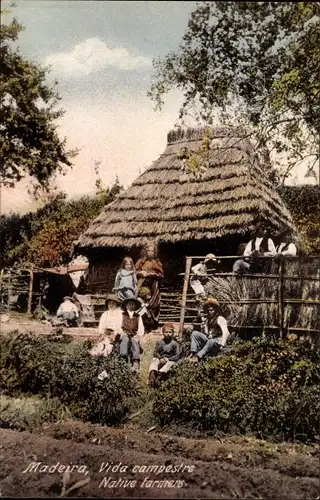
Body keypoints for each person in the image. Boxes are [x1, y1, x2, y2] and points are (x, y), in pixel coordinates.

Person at [188, 298, 230, 362]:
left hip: (217, 342)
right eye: (209, 310)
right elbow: (206, 333)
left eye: (212, 310)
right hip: (210, 340)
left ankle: (198, 356)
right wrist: (204, 326)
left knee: (212, 341)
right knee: (195, 333)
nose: (210, 312)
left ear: (216, 310)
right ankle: (192, 353)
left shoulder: (220, 318)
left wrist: (222, 344)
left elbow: (226, 332)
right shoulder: (208, 319)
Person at [135, 243, 164, 326]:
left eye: (152, 251)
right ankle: (142, 323)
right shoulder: (141, 261)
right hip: (142, 285)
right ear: (145, 251)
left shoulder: (157, 262)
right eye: (148, 251)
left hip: (153, 286)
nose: (150, 252)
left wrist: (150, 274)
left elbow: (161, 274)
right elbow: (134, 271)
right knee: (141, 302)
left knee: (153, 303)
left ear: (154, 252)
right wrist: (140, 272)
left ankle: (153, 323)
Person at [148, 323, 181, 388]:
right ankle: (152, 376)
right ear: (163, 333)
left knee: (169, 364)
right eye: (166, 332)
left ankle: (159, 376)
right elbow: (155, 353)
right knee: (154, 360)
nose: (168, 334)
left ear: (172, 333)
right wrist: (160, 358)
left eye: (170, 332)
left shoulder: (174, 344)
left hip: (170, 359)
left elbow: (177, 355)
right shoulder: (160, 342)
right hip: (161, 358)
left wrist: (168, 359)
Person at [119, 297, 144, 374]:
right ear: (126, 306)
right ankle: (123, 360)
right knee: (125, 340)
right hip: (124, 333)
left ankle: (135, 362)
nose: (131, 306)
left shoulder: (138, 316)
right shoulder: (122, 315)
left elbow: (141, 328)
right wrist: (122, 333)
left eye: (133, 304)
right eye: (129, 304)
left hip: (134, 334)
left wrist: (138, 335)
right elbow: (119, 326)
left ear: (135, 306)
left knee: (134, 341)